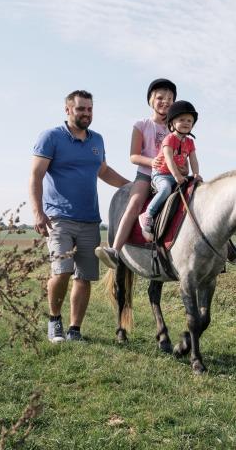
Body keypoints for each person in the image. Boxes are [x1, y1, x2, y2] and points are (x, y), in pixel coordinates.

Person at [29, 90, 129, 343]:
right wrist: (37, 212)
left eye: (90, 109)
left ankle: (74, 329)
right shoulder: (51, 137)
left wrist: (132, 187)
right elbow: (36, 176)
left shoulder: (97, 140)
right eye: (81, 109)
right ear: (68, 110)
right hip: (58, 218)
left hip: (90, 219)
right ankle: (54, 321)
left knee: (84, 277)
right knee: (62, 271)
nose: (86, 113)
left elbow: (103, 171)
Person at [94, 78, 178, 268]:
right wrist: (153, 162)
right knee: (134, 203)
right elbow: (134, 156)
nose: (165, 101)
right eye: (160, 98)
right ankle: (115, 250)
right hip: (146, 175)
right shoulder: (142, 124)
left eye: (170, 98)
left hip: (170, 175)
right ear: (151, 100)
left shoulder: (174, 128)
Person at [138, 100, 201, 234]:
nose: (186, 123)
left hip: (178, 175)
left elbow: (194, 159)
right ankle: (148, 214)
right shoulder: (169, 139)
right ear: (172, 123)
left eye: (189, 121)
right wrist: (177, 176)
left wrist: (196, 174)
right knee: (166, 189)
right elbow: (169, 159)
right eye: (182, 119)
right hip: (161, 174)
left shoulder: (190, 142)